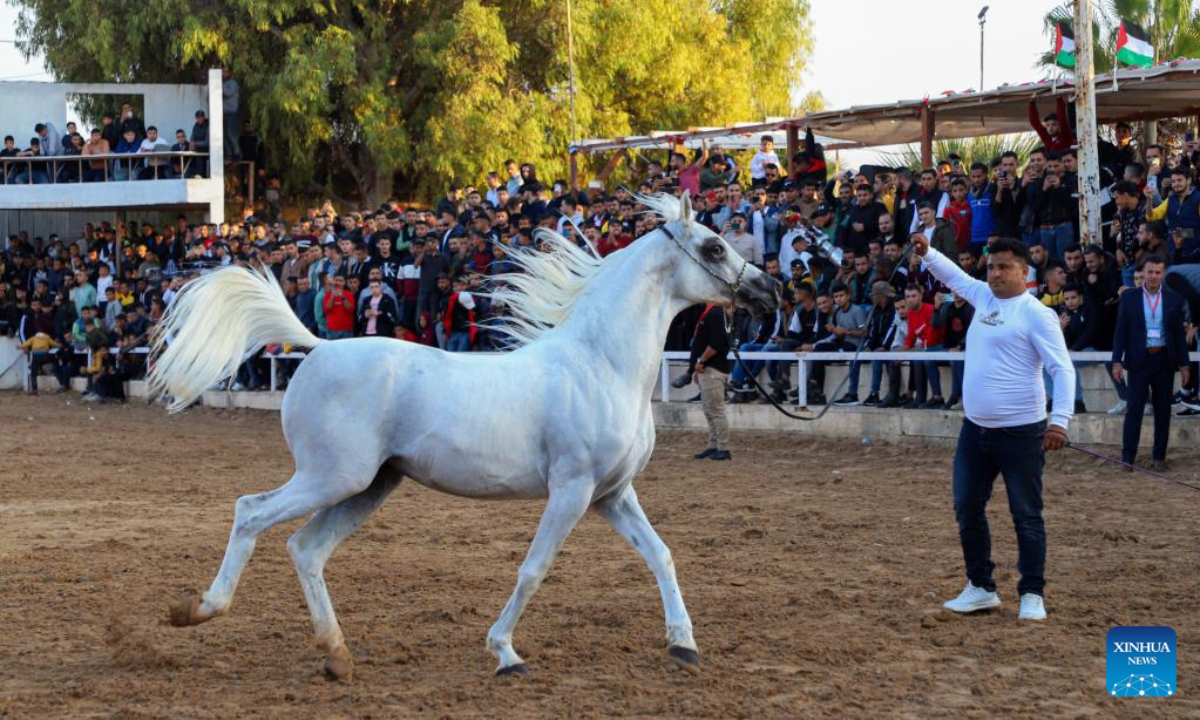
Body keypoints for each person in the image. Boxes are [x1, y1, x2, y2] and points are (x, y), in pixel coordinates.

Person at [913, 234, 1074, 623]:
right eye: (991, 267)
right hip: (975, 430)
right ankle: (981, 587)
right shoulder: (984, 297)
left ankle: (1032, 592)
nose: (996, 273)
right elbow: (955, 278)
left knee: (1026, 514)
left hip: (1022, 433)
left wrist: (1060, 421)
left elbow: (1061, 369)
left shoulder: (1036, 313)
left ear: (1024, 271)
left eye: (1004, 267)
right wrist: (928, 253)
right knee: (966, 506)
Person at [1111, 255, 1189, 472]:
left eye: (1158, 272)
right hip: (1138, 360)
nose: (1153, 276)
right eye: (1150, 272)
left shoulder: (1174, 298)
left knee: (1163, 410)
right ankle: (1127, 458)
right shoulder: (1129, 298)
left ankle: (1159, 457)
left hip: (1164, 360)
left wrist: (1184, 364)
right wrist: (1116, 360)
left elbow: (1179, 336)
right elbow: (1120, 331)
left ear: (1163, 274)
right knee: (1134, 409)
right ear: (1143, 273)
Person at [691, 303, 732, 461]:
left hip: (711, 368)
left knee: (715, 410)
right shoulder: (715, 313)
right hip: (709, 368)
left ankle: (722, 447)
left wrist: (701, 361)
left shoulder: (715, 313)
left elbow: (715, 343)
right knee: (710, 410)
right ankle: (714, 445)